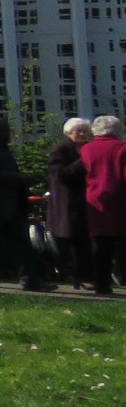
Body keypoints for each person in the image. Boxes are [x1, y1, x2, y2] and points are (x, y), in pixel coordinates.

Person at [0, 116, 55, 291]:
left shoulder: (3, 149)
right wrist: (20, 179)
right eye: (7, 130)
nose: (9, 133)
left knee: (21, 243)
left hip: (10, 205)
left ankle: (30, 279)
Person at [81, 114, 126, 295]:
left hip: (95, 200)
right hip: (120, 200)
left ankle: (102, 285)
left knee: (100, 246)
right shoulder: (123, 148)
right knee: (122, 244)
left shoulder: (87, 149)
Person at [46, 118, 94, 288]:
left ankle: (84, 276)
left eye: (85, 130)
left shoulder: (90, 148)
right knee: (74, 241)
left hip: (88, 202)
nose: (82, 134)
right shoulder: (60, 151)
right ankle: (79, 276)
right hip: (68, 204)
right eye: (78, 130)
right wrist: (83, 161)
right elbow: (61, 175)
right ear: (68, 133)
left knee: (84, 241)